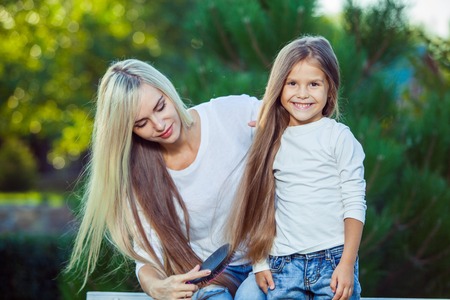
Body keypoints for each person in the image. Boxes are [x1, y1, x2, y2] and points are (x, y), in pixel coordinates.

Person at [66, 58, 266, 300]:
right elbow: (149, 257)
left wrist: (278, 124)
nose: (159, 125)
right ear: (129, 131)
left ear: (166, 90)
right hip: (214, 277)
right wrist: (156, 287)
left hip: (271, 256)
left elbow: (303, 116)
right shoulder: (141, 177)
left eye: (160, 107)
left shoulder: (230, 115)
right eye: (141, 123)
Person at [228, 35, 366, 300]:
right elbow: (259, 204)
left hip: (333, 261)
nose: (302, 93)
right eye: (292, 83)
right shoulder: (270, 139)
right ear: (279, 87)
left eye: (314, 84)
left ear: (330, 89)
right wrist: (259, 263)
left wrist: (347, 263)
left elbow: (354, 202)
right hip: (283, 264)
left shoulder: (339, 137)